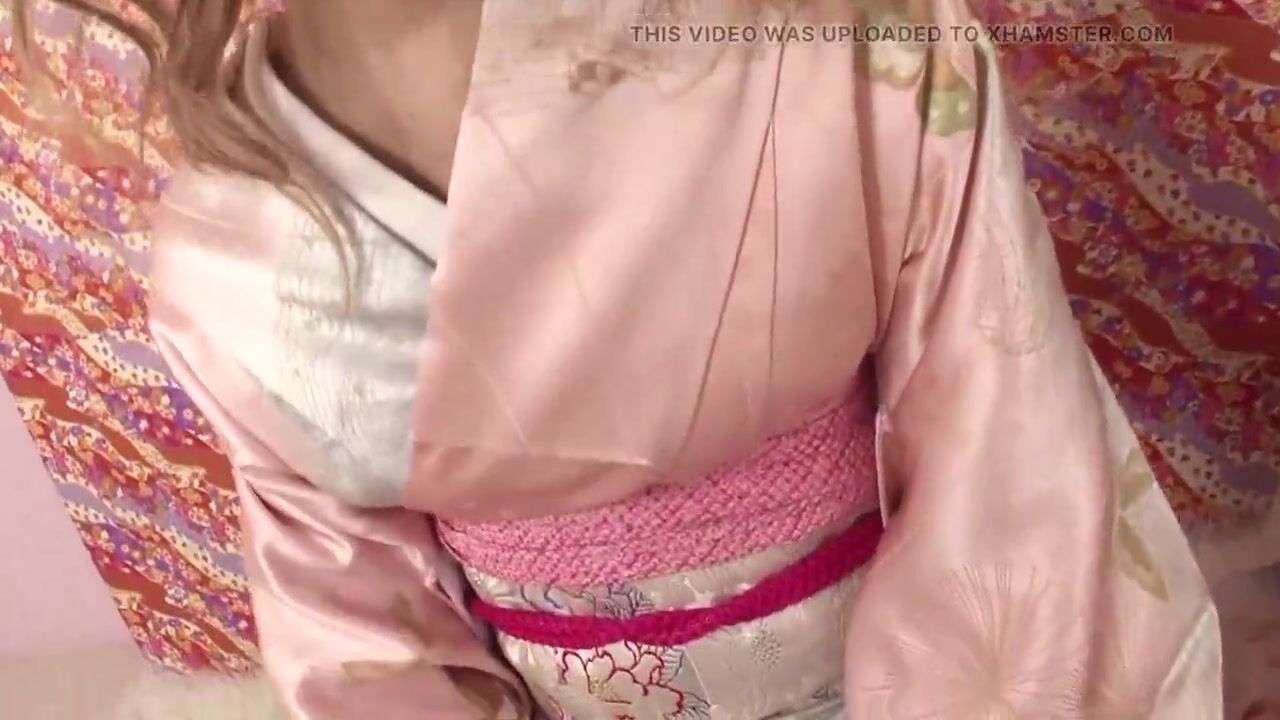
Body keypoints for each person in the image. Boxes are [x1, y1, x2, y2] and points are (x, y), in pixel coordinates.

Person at [21, 0, 1224, 717]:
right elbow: (359, 640)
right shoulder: (227, 257)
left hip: (894, 668)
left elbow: (1008, 465)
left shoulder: (846, 48)